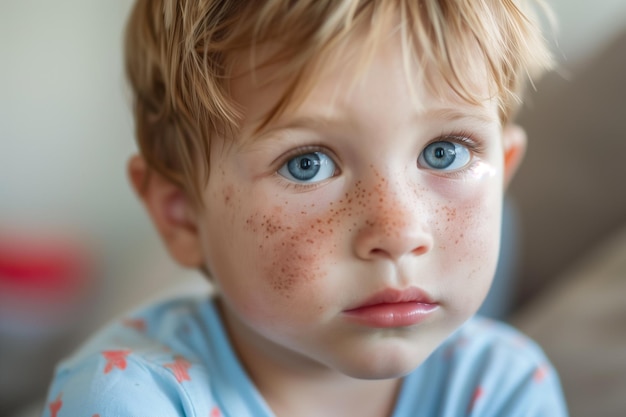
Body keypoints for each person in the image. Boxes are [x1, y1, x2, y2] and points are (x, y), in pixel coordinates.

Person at [41, 0, 569, 416]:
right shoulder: (128, 400)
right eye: (307, 164)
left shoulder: (505, 388)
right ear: (180, 213)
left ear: (504, 169)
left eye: (444, 152)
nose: (397, 230)